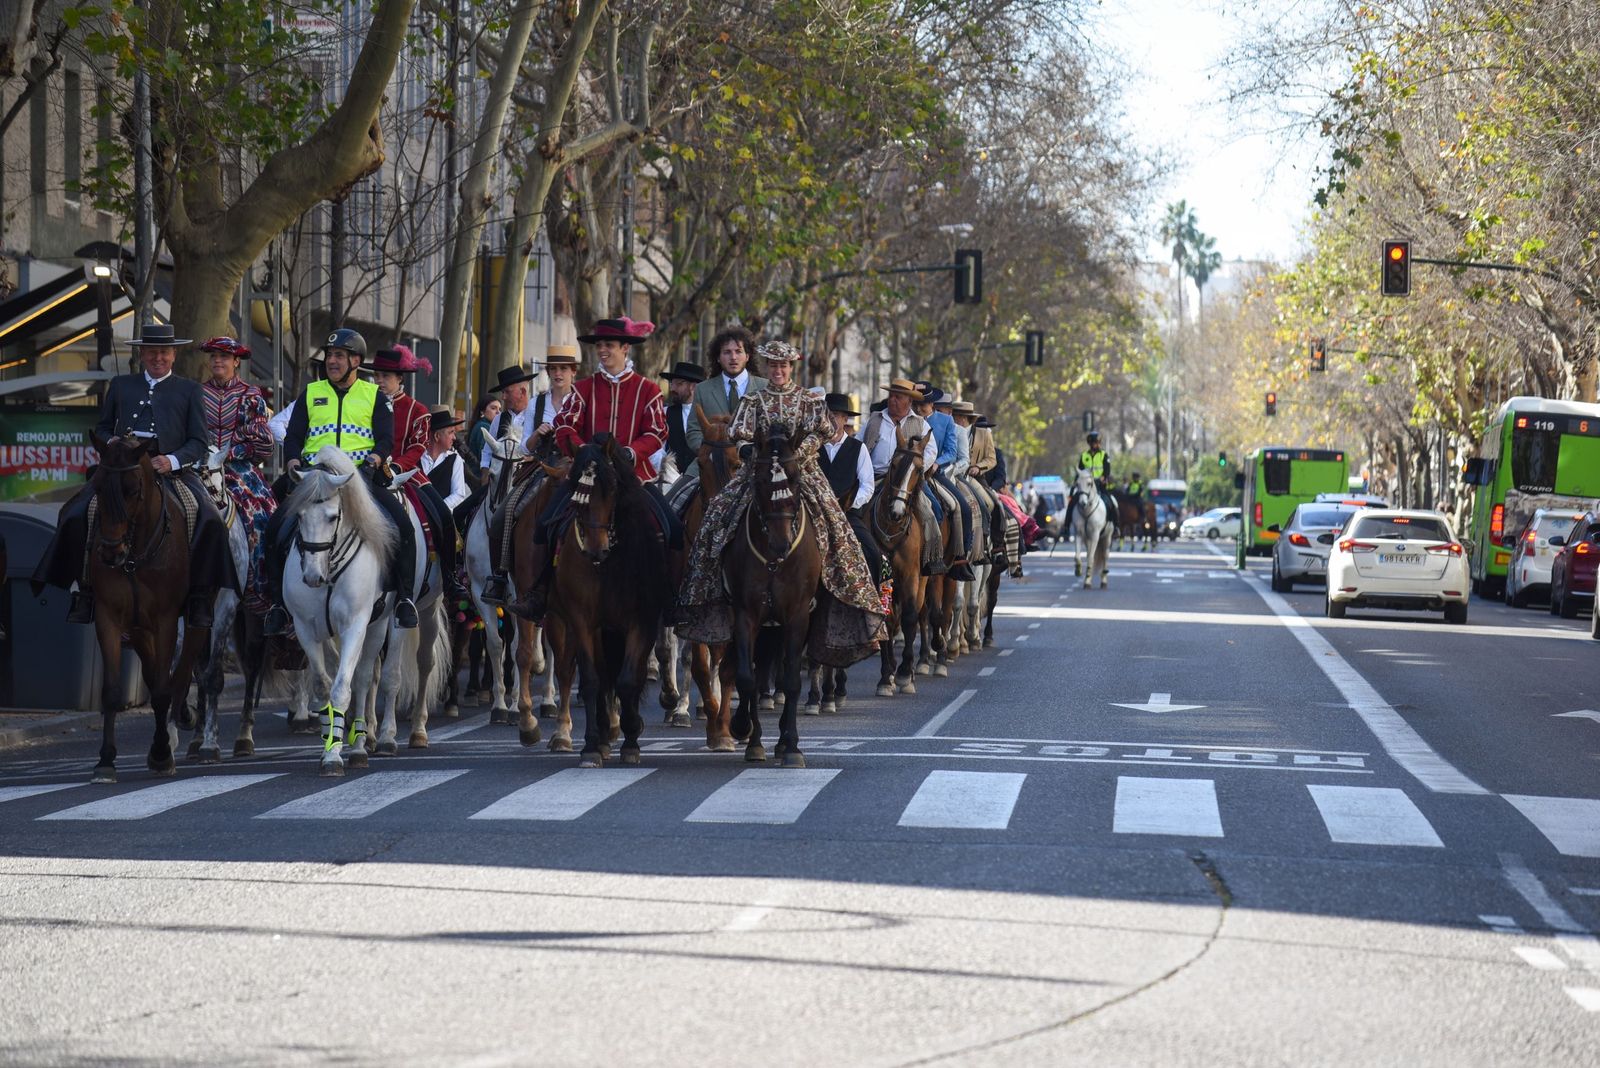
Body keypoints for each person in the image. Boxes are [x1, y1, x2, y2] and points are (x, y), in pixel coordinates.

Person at [32, 323, 238, 627]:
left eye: (164, 352)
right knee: (77, 512)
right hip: (122, 470)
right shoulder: (121, 385)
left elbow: (197, 441)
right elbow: (102, 427)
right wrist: (112, 442)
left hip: (168, 471)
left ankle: (199, 596)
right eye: (152, 352)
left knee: (209, 517)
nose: (158, 358)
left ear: (173, 354)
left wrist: (171, 460)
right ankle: (85, 589)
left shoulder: (189, 389)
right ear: (142, 354)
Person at [677, 341, 883, 646]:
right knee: (716, 516)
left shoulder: (807, 400)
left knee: (838, 526)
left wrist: (800, 453)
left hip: (802, 471)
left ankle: (845, 597)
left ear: (791, 368)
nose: (778, 371)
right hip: (758, 471)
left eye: (783, 366)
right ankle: (704, 594)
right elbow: (737, 433)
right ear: (768, 367)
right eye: (773, 365)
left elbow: (822, 431)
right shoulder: (754, 399)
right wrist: (749, 451)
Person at [512, 315, 677, 621]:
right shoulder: (584, 388)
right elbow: (564, 427)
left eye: (609, 345)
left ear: (625, 348)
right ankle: (540, 591)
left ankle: (670, 597)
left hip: (634, 479)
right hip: (587, 480)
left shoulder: (649, 390)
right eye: (599, 345)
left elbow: (656, 433)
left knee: (671, 528)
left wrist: (631, 452)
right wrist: (584, 450)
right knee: (545, 524)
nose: (602, 350)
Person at [262, 327, 423, 632]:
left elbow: (386, 439)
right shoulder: (311, 392)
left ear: (356, 360)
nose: (331, 361)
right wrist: (294, 461)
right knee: (273, 529)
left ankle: (404, 599)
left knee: (402, 525)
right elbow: (294, 436)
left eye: (339, 356)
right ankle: (278, 605)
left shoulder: (375, 395)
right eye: (329, 355)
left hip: (360, 477)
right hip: (313, 478)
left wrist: (373, 463)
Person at [481, 344, 580, 604]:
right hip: (541, 468)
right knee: (503, 515)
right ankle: (500, 578)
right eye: (553, 369)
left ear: (573, 372)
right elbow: (524, 447)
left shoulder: (582, 401)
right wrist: (537, 434)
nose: (558, 373)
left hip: (576, 471)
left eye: (563, 369)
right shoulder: (536, 404)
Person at [370, 345, 463, 603]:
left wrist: (395, 468)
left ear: (400, 379)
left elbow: (416, 448)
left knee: (443, 515)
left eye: (385, 377)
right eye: (376, 376)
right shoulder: (365, 401)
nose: (379, 382)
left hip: (408, 473)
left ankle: (450, 576)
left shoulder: (418, 410)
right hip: (367, 472)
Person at [198, 336, 276, 613]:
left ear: (236, 362)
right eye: (213, 356)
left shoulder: (251, 395)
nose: (217, 361)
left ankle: (259, 588)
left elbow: (265, 443)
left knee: (262, 518)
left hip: (237, 470)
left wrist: (231, 452)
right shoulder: (196, 393)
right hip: (198, 466)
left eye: (224, 357)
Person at [856, 378, 941, 574]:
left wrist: (914, 471)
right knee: (852, 510)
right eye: (891, 396)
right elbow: (858, 446)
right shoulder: (874, 420)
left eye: (898, 397)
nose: (892, 400)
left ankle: (932, 558)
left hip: (908, 482)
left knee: (931, 510)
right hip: (874, 478)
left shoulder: (921, 425)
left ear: (909, 401)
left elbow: (931, 452)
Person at [819, 392, 886, 591]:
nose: (832, 419)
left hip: (848, 514)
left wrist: (847, 502)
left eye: (837, 415)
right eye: (828, 414)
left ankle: (873, 602)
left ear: (845, 419)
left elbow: (868, 486)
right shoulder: (811, 446)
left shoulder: (859, 448)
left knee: (873, 553)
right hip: (815, 511)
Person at [913, 383, 976, 581]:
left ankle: (959, 556)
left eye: (923, 403)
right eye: (916, 402)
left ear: (932, 403)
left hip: (935, 473)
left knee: (962, 507)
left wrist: (936, 464)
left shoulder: (946, 422)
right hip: (909, 472)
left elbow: (950, 451)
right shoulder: (909, 419)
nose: (919, 406)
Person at [685, 325, 766, 454]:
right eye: (727, 352)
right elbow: (693, 431)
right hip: (710, 465)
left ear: (747, 356)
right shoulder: (702, 389)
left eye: (738, 351)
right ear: (718, 357)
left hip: (755, 463)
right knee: (685, 476)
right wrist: (711, 450)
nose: (733, 357)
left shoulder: (765, 388)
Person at [419, 405, 470, 518]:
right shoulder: (416, 458)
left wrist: (436, 511)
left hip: (442, 520)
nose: (454, 437)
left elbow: (458, 494)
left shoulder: (454, 459)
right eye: (451, 432)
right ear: (437, 436)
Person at [657, 361, 706, 476]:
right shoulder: (665, 413)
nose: (672, 388)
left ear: (693, 387)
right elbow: (658, 449)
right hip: (671, 481)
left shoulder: (708, 414)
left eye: (679, 384)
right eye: (672, 384)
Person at [1074, 429, 1115, 518]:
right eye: (1095, 442)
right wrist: (1075, 481)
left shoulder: (1104, 455)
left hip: (1099, 484)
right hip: (1086, 485)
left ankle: (1115, 525)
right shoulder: (1084, 456)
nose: (1097, 444)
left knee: (1111, 502)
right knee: (1072, 502)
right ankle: (1067, 526)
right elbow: (1080, 471)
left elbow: (1107, 470)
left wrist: (1104, 477)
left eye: (1098, 442)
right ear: (1090, 443)